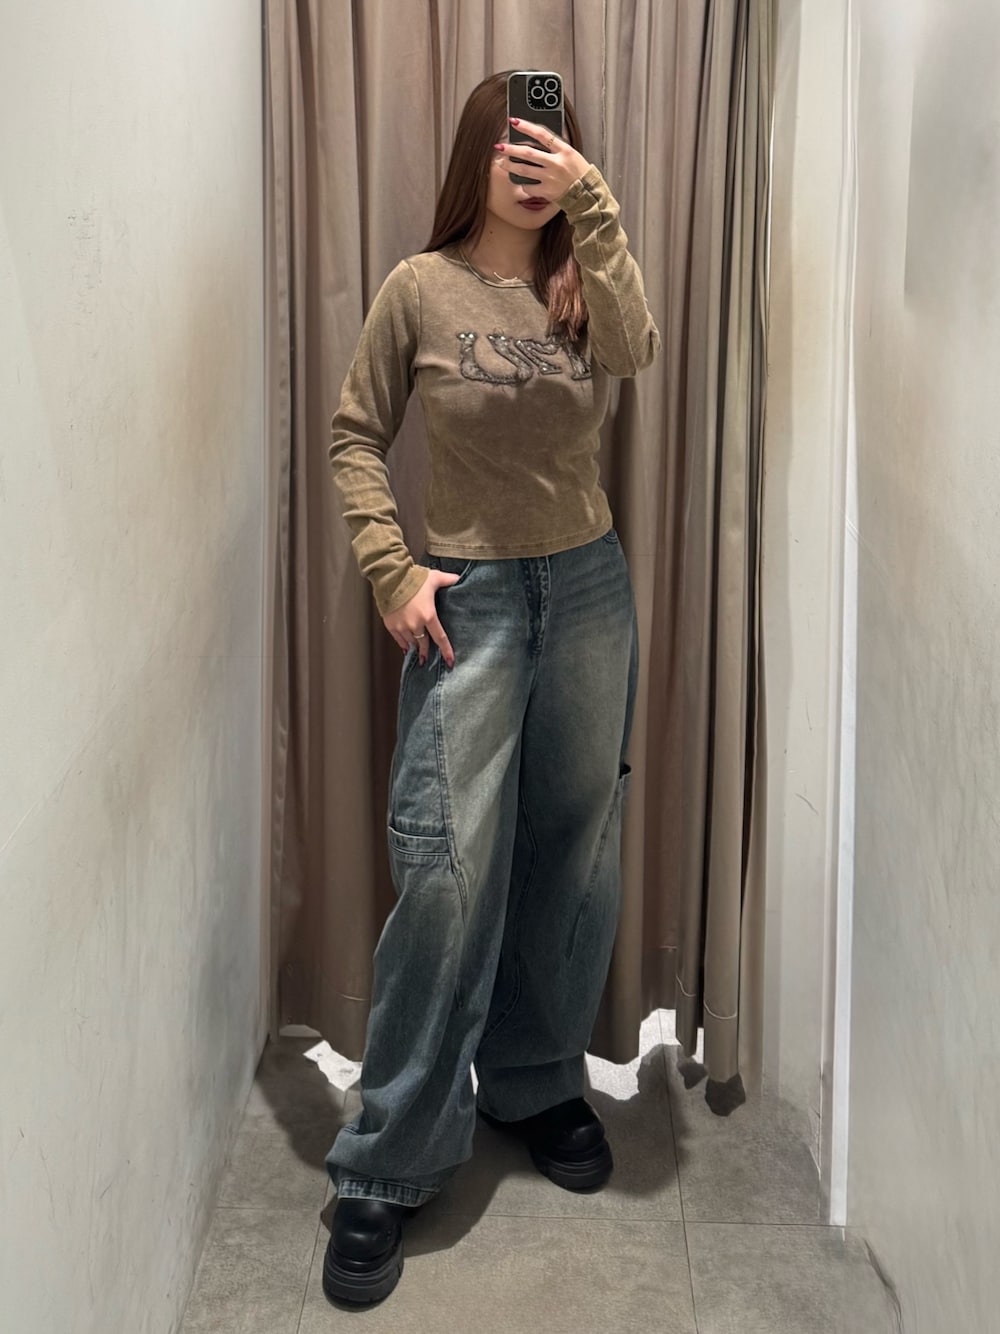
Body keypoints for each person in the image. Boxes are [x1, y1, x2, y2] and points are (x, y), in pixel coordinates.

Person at [321, 70, 660, 1307]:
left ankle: (534, 1079)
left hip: (587, 589)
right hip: (470, 599)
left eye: (551, 145)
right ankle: (388, 1152)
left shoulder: (581, 281)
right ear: (479, 148)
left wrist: (594, 207)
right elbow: (355, 433)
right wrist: (389, 567)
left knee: (572, 848)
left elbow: (637, 351)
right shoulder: (418, 287)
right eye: (515, 142)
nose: (532, 165)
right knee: (445, 869)